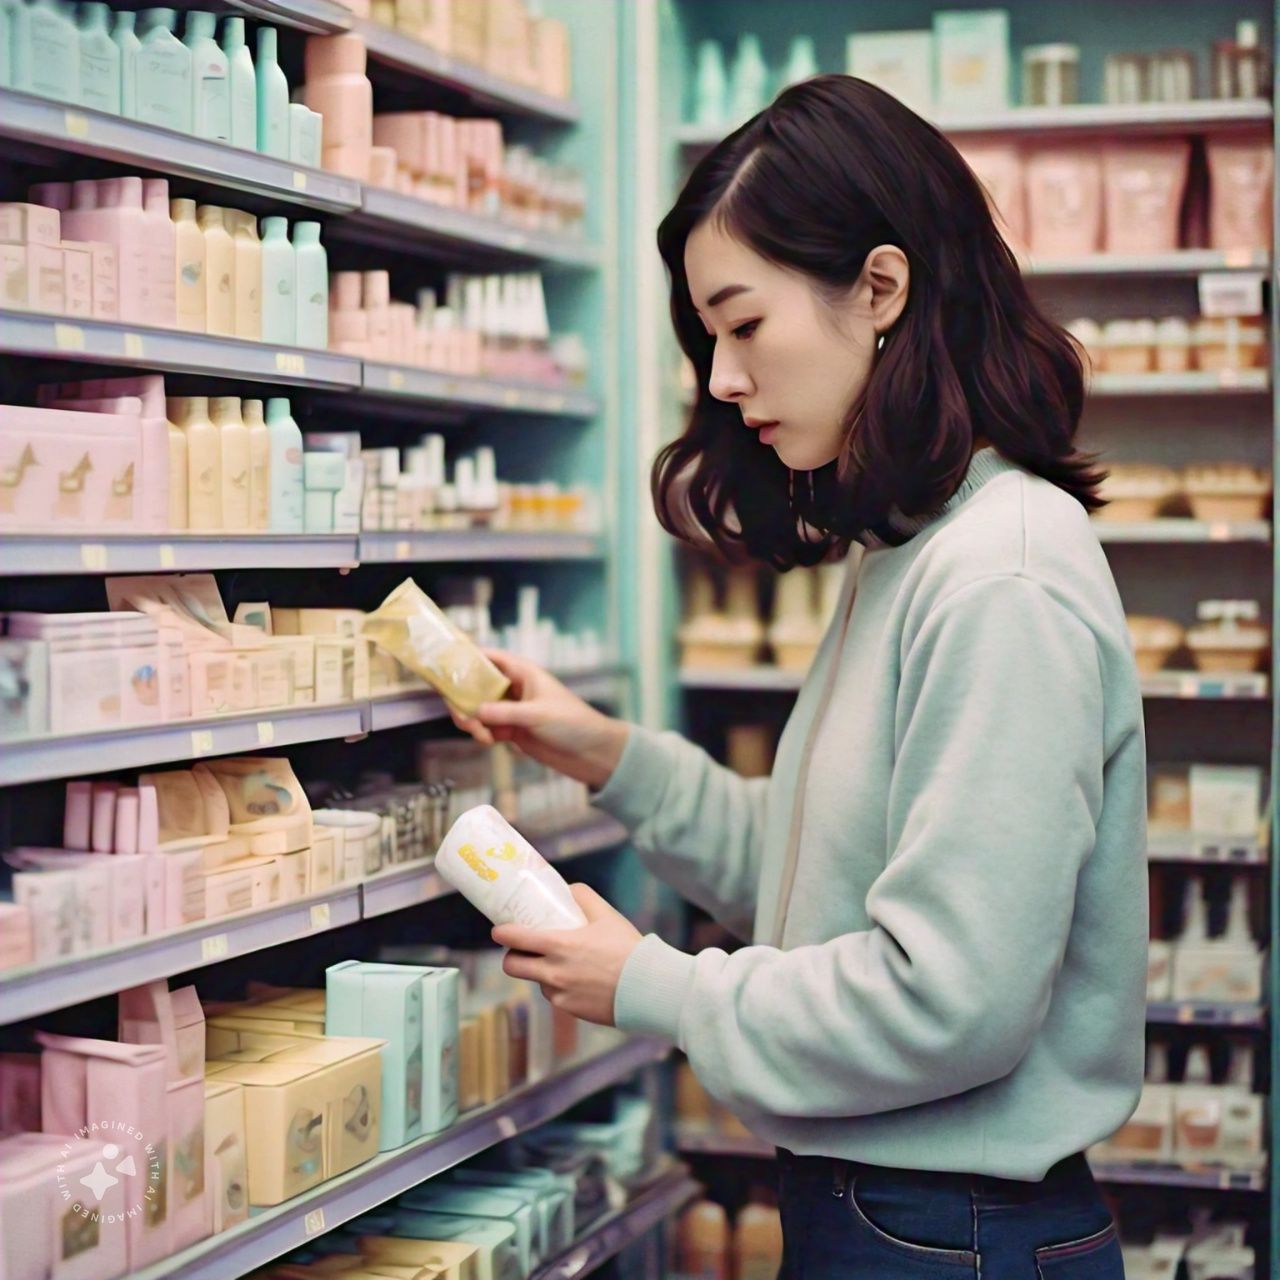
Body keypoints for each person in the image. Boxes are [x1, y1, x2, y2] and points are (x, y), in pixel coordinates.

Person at [451, 74, 1146, 1279]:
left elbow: (949, 997)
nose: (719, 379)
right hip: (900, 1216)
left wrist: (656, 987)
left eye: (742, 322)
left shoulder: (998, 575)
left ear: (879, 287)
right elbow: (823, 869)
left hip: (947, 1234)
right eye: (705, 337)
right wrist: (609, 756)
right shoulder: (914, 547)